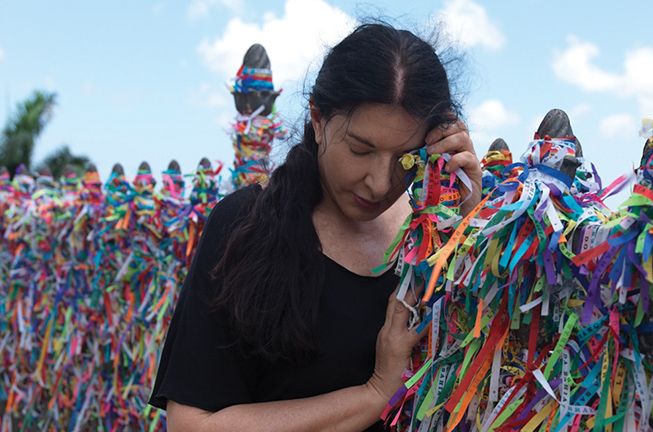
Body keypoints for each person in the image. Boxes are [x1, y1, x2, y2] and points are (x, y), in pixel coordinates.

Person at [149, 23, 482, 432]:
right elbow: (192, 424)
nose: (378, 182)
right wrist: (375, 394)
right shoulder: (244, 226)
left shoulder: (438, 244)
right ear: (319, 120)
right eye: (361, 149)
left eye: (406, 160)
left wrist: (474, 234)